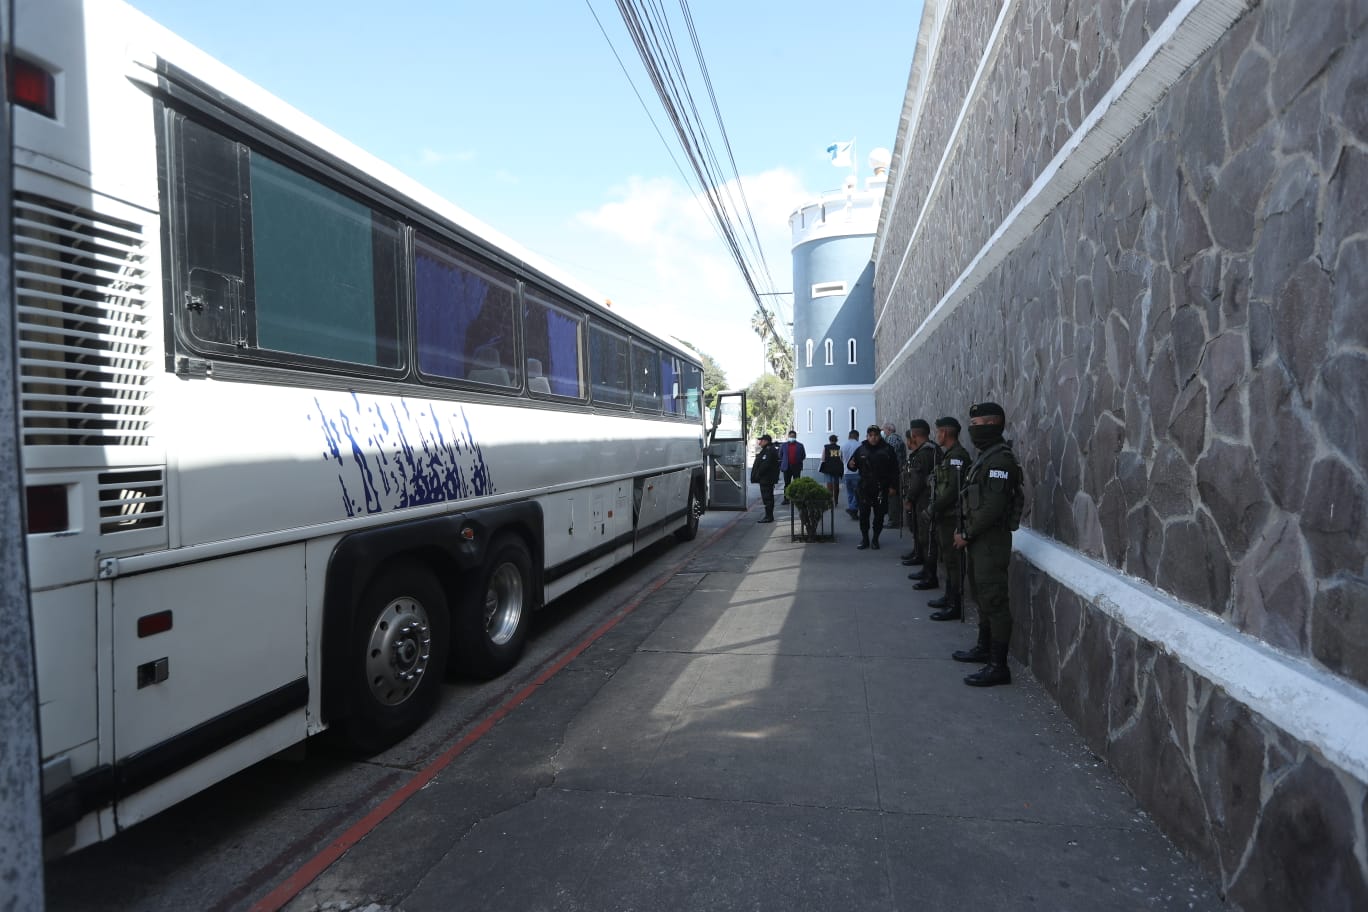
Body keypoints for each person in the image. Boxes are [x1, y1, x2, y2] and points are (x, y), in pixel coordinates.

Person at [954, 401, 1023, 687]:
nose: (973, 430)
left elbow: (993, 507)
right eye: (972, 425)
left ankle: (999, 666)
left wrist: (967, 533)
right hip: (980, 540)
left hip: (991, 542)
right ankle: (984, 649)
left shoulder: (1000, 461)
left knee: (994, 600)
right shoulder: (986, 457)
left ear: (993, 424)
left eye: (978, 425)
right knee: (982, 595)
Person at [914, 417, 970, 623]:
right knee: (947, 559)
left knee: (954, 562)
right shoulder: (949, 456)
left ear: (944, 433)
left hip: (951, 517)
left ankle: (954, 604)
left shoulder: (958, 457)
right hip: (944, 517)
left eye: (938, 432)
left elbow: (952, 492)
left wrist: (932, 508)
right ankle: (949, 597)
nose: (936, 435)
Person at [848, 424, 899, 550]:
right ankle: (865, 539)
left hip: (881, 487)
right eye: (871, 435)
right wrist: (851, 465)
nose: (873, 438)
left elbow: (894, 470)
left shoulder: (888, 449)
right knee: (864, 515)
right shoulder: (861, 449)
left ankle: (875, 539)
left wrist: (893, 486)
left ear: (879, 436)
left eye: (876, 435)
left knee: (879, 515)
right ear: (867, 436)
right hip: (865, 487)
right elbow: (852, 465)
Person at [900, 420, 940, 567]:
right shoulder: (932, 449)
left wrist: (909, 498)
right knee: (920, 532)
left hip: (924, 498)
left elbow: (918, 479)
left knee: (925, 535)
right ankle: (920, 557)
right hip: (925, 497)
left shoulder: (924, 453)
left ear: (914, 434)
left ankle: (928, 571)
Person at [750, 433, 780, 523]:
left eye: (761, 441)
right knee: (767, 498)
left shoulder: (769, 451)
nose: (759, 443)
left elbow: (765, 465)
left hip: (767, 479)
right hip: (765, 479)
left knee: (767, 498)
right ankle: (768, 515)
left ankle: (769, 516)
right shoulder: (767, 450)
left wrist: (758, 474)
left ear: (766, 441)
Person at [882, 422, 906, 530]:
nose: (884, 432)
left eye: (884, 430)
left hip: (893, 472)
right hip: (899, 470)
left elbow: (889, 456)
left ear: (889, 430)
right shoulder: (899, 438)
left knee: (893, 497)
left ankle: (893, 520)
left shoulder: (891, 439)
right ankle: (896, 519)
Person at [778, 430, 807, 504]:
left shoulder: (800, 445)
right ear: (788, 437)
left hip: (796, 467)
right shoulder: (784, 445)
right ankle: (786, 499)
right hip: (787, 467)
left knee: (797, 483)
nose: (792, 438)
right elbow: (780, 455)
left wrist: (797, 460)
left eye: (793, 436)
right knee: (787, 483)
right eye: (791, 436)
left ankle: (796, 498)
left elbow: (803, 456)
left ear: (795, 437)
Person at [840, 429, 862, 519]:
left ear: (849, 436)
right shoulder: (860, 445)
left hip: (847, 472)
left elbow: (840, 458)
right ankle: (853, 508)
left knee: (850, 493)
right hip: (857, 472)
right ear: (857, 436)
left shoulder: (843, 446)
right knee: (858, 492)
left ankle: (852, 511)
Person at [818, 434, 845, 507]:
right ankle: (836, 500)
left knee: (829, 484)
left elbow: (823, 458)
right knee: (836, 483)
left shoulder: (826, 447)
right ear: (836, 441)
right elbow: (841, 459)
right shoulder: (839, 448)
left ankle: (829, 500)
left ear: (829, 440)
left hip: (828, 468)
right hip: (836, 468)